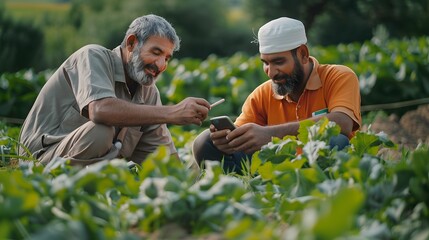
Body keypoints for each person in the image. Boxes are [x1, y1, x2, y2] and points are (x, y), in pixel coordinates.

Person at [19, 14, 211, 166]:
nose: (161, 65)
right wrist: (172, 112)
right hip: (38, 159)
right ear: (131, 43)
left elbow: (164, 158)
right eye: (156, 52)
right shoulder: (92, 56)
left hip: (90, 171)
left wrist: (192, 188)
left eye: (167, 58)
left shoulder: (148, 92)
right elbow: (100, 111)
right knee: (101, 130)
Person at [192, 17, 361, 173]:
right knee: (205, 142)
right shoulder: (261, 94)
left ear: (303, 54)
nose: (271, 73)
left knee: (335, 141)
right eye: (265, 63)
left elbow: (343, 122)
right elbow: (241, 139)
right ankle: (245, 191)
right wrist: (227, 142)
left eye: (278, 62)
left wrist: (269, 135)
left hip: (323, 169)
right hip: (274, 170)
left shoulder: (339, 76)